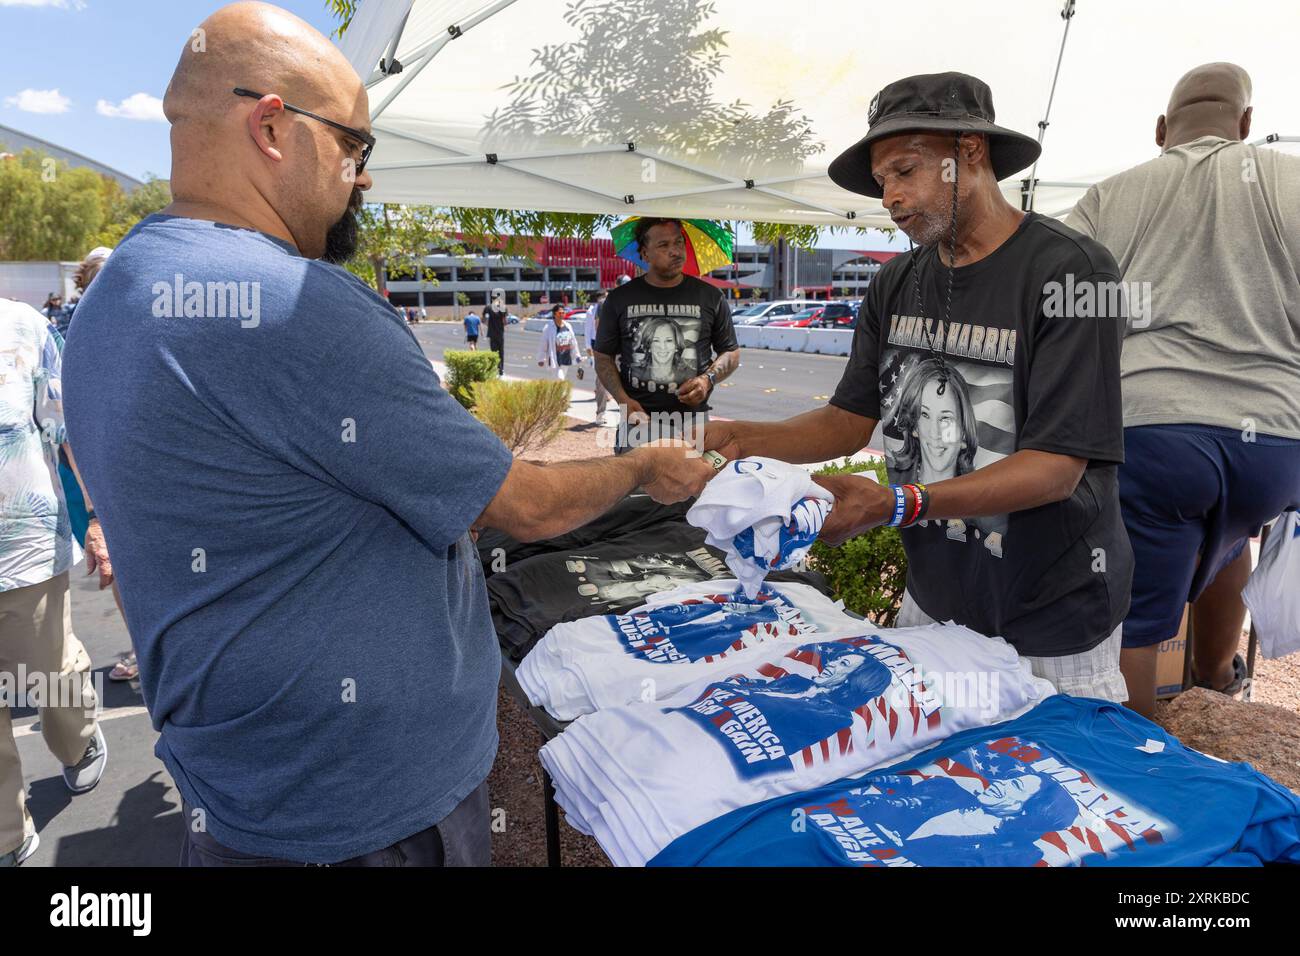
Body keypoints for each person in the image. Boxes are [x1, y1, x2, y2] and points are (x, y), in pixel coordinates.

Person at [61, 1, 714, 869]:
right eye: (353, 147)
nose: (362, 178)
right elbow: (518, 502)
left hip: (244, 786)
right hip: (368, 812)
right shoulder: (296, 307)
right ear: (270, 127)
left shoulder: (113, 293)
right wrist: (641, 467)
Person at [705, 72, 1133, 701]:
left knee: (1061, 789)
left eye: (905, 171)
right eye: (883, 183)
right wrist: (736, 439)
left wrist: (895, 504)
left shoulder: (1071, 271)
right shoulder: (894, 282)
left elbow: (1056, 469)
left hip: (1052, 615)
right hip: (933, 599)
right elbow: (848, 421)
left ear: (970, 154)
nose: (891, 198)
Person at [1065, 63, 1300, 718]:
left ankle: (1138, 768)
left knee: (1136, 620)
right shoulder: (1291, 180)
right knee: (1230, 540)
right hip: (1275, 445)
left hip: (1155, 432)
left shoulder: (1113, 195)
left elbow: (1061, 317)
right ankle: (1218, 688)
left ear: (1162, 129)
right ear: (1246, 124)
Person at [0, 297, 113, 867]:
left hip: (22, 553)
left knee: (45, 675)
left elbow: (70, 429)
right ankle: (6, 830)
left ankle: (79, 738)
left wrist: (96, 519)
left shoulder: (24, 326)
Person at [594, 219, 741, 452]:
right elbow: (602, 357)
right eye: (663, 245)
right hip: (638, 422)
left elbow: (731, 351)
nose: (675, 251)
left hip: (693, 424)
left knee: (693, 486)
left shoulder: (711, 297)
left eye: (679, 242)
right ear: (645, 253)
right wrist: (623, 400)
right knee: (637, 487)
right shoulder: (620, 299)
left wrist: (707, 379)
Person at [536, 303, 578, 380]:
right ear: (554, 314)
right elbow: (543, 344)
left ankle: (556, 391)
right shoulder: (548, 327)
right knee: (560, 378)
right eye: (559, 313)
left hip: (566, 357)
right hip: (555, 358)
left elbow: (573, 342)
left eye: (563, 313)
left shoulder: (568, 326)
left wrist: (577, 355)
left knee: (560, 379)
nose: (562, 315)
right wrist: (541, 358)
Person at [585, 289, 609, 418]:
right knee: (601, 378)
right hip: (598, 345)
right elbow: (589, 330)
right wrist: (589, 347)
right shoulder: (592, 311)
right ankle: (601, 412)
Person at [483, 289, 508, 375]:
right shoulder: (503, 307)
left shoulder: (488, 308)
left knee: (493, 352)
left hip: (491, 333)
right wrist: (501, 326)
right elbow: (505, 321)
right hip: (500, 333)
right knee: (501, 351)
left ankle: (495, 368)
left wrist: (490, 325)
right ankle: (501, 369)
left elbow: (485, 320)